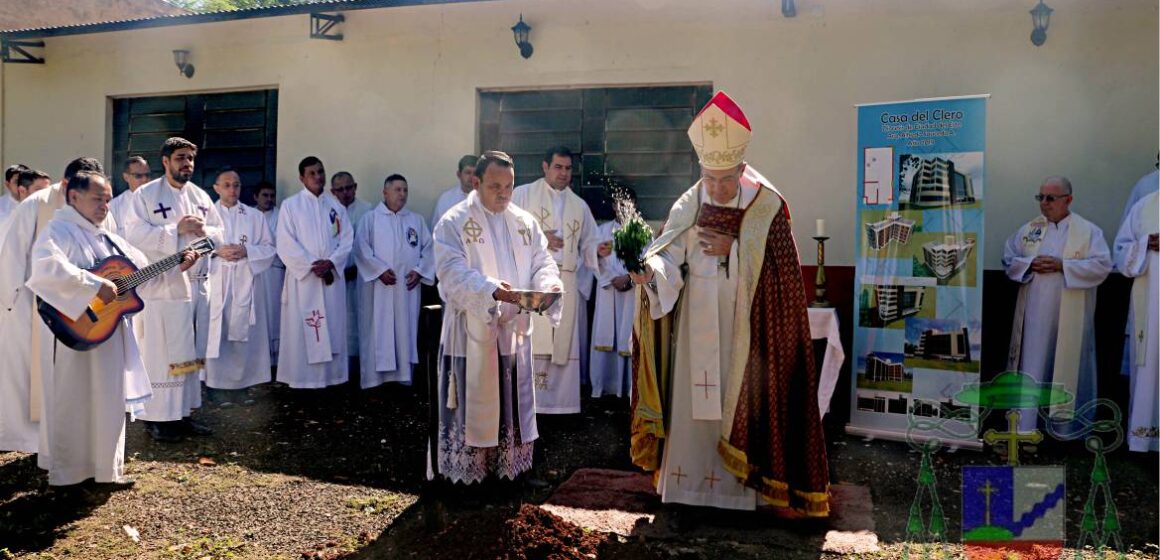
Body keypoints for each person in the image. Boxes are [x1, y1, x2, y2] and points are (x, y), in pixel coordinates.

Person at [629, 92, 830, 516]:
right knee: (693, 407)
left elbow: (781, 278)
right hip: (694, 323)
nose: (717, 189)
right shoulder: (690, 202)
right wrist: (650, 274)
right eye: (709, 179)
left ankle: (744, 493)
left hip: (748, 333)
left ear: (742, 168)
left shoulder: (766, 205)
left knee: (738, 400)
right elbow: (669, 258)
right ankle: (686, 491)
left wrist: (734, 249)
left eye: (725, 179)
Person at [431, 151, 562, 484]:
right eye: (495, 186)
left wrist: (548, 286)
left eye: (509, 186)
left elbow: (542, 262)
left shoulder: (523, 222)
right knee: (473, 403)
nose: (504, 194)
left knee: (513, 399)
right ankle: (468, 476)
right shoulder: (453, 222)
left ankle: (511, 470)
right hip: (472, 331)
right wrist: (491, 290)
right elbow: (450, 272)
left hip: (513, 330)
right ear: (476, 183)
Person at [25, 171, 159, 486]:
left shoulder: (106, 235)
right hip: (76, 332)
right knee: (75, 399)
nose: (104, 206)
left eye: (108, 200)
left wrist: (175, 265)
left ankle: (106, 470)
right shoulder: (58, 230)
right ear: (74, 197)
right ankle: (70, 472)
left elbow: (139, 268)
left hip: (110, 332)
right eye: (97, 198)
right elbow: (46, 268)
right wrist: (92, 285)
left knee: (109, 399)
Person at [0, 157, 105, 457]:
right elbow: (13, 253)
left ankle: (66, 439)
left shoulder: (93, 207)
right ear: (66, 182)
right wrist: (11, 301)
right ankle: (25, 441)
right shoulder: (36, 204)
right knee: (28, 375)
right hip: (31, 304)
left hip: (80, 304)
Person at [124, 137, 224, 442]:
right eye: (181, 158)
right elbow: (133, 235)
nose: (187, 164)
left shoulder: (200, 196)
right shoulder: (145, 195)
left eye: (191, 159)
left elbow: (219, 234)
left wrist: (202, 237)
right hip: (163, 288)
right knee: (161, 352)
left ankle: (184, 413)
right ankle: (157, 418)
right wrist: (174, 231)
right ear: (166, 161)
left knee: (191, 353)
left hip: (197, 287)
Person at [1003, 176, 1111, 434]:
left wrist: (1064, 266)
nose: (1044, 203)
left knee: (1066, 367)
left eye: (1050, 198)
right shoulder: (1029, 230)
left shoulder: (1088, 231)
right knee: (1033, 366)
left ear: (1068, 199)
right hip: (1034, 317)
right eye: (1040, 197)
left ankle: (1063, 430)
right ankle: (1025, 429)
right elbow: (1008, 257)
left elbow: (1103, 266)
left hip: (1069, 316)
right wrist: (1029, 264)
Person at [512, 146, 601, 414]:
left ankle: (562, 404)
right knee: (535, 334)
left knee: (563, 340)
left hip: (566, 279)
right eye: (558, 167)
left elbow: (590, 240)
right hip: (535, 275)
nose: (563, 173)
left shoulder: (579, 205)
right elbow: (506, 230)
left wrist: (598, 250)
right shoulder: (523, 194)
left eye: (568, 168)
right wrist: (540, 237)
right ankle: (530, 403)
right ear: (545, 167)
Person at [276, 157, 353, 389]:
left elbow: (347, 239)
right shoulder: (291, 206)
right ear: (302, 178)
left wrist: (331, 262)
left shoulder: (335, 206)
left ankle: (331, 379)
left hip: (330, 279)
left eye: (321, 171)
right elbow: (285, 243)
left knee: (331, 327)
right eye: (312, 173)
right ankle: (302, 381)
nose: (318, 176)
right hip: (305, 281)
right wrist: (312, 264)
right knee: (304, 328)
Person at [353, 174, 434, 388]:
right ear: (385, 192)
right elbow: (361, 249)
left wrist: (419, 271)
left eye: (405, 190)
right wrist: (378, 270)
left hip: (405, 289)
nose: (402, 194)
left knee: (404, 329)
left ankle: (404, 377)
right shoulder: (370, 219)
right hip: (379, 288)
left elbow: (429, 248)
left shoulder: (415, 220)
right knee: (375, 329)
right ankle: (374, 380)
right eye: (397, 189)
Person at [204, 168, 277, 391]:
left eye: (236, 184)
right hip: (218, 280)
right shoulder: (205, 216)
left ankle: (248, 381)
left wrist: (247, 251)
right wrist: (216, 252)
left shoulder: (254, 216)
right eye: (226, 185)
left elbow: (269, 248)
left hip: (246, 279)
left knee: (246, 329)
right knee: (219, 329)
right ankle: (216, 382)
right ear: (216, 188)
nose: (232, 189)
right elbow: (192, 248)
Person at [1113, 190, 1158, 452]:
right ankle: (1146, 437)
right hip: (1151, 302)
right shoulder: (1145, 205)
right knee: (1150, 364)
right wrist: (1144, 244)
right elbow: (1121, 249)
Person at [590, 193, 637, 398]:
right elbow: (592, 259)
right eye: (618, 204)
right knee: (605, 334)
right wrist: (611, 278)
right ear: (613, 205)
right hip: (608, 291)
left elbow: (649, 260)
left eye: (627, 204)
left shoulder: (641, 232)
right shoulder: (602, 231)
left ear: (634, 205)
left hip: (631, 291)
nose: (622, 208)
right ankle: (602, 386)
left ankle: (626, 387)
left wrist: (629, 278)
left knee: (627, 335)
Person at [331, 171, 374, 363]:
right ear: (332, 192)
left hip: (361, 275)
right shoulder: (328, 211)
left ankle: (359, 365)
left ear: (355, 187)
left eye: (349, 187)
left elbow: (372, 245)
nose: (345, 192)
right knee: (338, 320)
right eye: (340, 189)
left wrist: (358, 267)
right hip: (335, 276)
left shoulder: (368, 211)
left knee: (359, 318)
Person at [254, 181, 284, 361]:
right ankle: (257, 357)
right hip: (255, 271)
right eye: (265, 195)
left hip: (274, 271)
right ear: (255, 197)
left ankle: (274, 358)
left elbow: (283, 244)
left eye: (272, 195)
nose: (269, 199)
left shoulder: (282, 216)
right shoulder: (248, 215)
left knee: (274, 312)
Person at [109, 156, 152, 236]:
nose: (144, 179)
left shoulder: (161, 199)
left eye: (147, 175)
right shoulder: (114, 206)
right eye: (138, 176)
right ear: (126, 177)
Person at [431, 155, 477, 227]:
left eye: (475, 174)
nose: (472, 177)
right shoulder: (446, 199)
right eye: (468, 172)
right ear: (459, 174)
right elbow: (437, 228)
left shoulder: (487, 199)